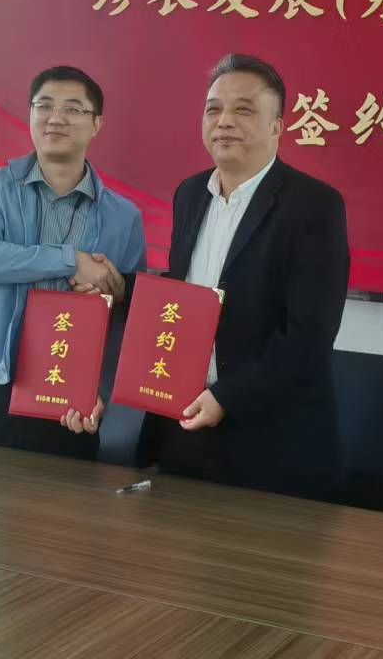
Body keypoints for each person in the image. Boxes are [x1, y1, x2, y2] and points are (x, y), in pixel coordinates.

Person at [140, 52, 350, 498]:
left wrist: (226, 397)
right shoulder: (190, 194)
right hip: (184, 422)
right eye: (213, 109)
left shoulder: (314, 205)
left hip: (271, 439)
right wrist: (117, 286)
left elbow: (308, 335)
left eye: (244, 109)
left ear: (277, 127)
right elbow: (184, 293)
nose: (224, 121)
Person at [0, 66, 146, 458]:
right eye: (44, 106)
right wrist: (70, 261)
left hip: (74, 399)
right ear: (31, 114)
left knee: (64, 499)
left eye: (73, 109)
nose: (55, 118)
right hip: (0, 382)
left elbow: (130, 317)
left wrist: (100, 391)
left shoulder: (124, 216)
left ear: (96, 123)